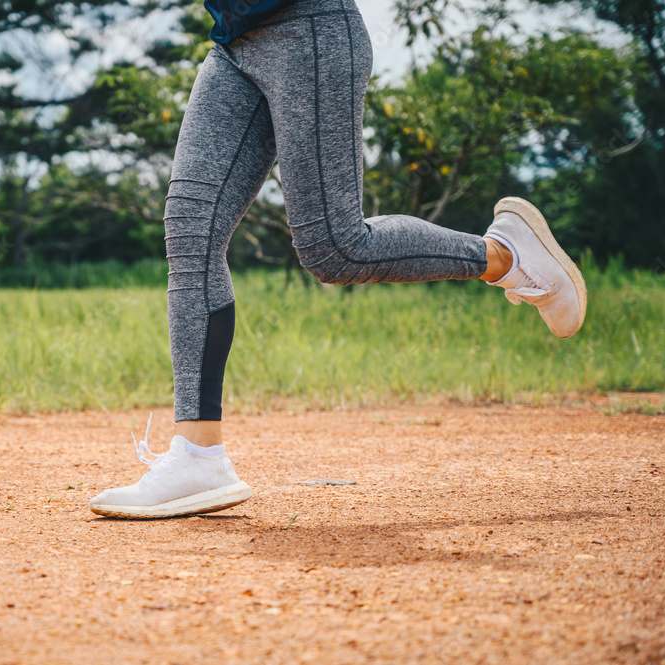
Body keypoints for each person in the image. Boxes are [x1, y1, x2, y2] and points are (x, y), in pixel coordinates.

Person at [89, 0, 587, 518]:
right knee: (191, 231)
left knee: (336, 248)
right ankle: (198, 455)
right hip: (235, 43)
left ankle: (505, 255)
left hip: (309, 27)